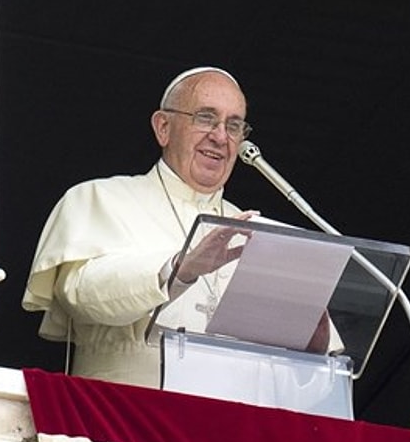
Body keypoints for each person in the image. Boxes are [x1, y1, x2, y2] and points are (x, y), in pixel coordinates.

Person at [22, 66, 330, 389]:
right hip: (123, 416)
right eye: (206, 118)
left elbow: (303, 384)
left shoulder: (256, 231)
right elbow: (79, 295)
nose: (221, 137)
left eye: (234, 125)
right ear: (163, 127)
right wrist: (178, 270)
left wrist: (313, 346)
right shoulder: (99, 198)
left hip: (232, 428)